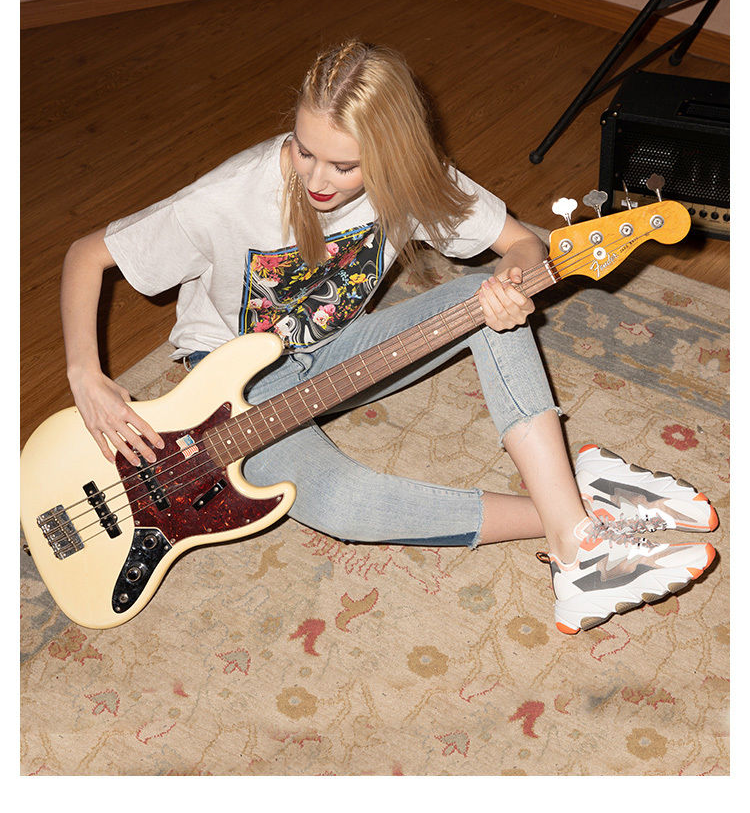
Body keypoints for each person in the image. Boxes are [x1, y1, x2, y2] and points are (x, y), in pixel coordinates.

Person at [60, 39, 716, 634]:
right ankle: (577, 515)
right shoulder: (227, 197)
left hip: (332, 352)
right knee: (341, 502)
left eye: (344, 166)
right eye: (304, 150)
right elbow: (86, 255)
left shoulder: (413, 178)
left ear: (391, 153)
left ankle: (576, 544)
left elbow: (520, 245)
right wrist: (84, 374)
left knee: (484, 304)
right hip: (226, 388)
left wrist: (511, 283)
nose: (317, 180)